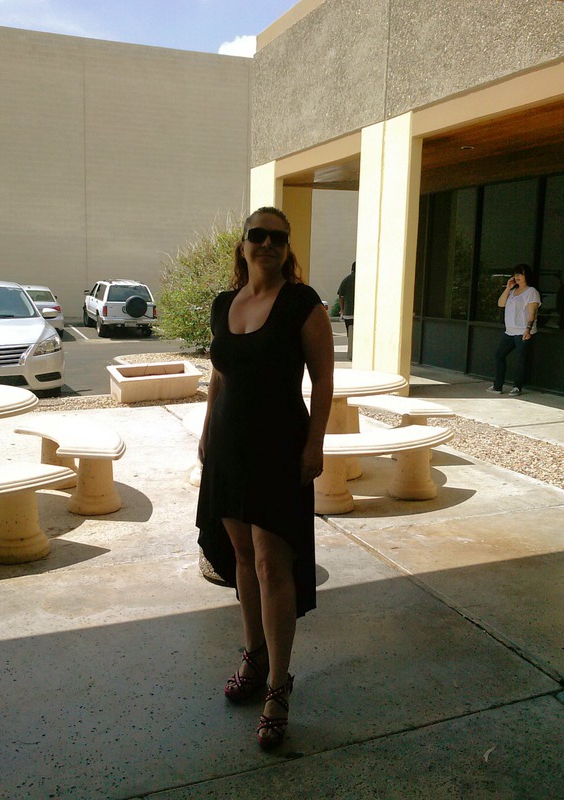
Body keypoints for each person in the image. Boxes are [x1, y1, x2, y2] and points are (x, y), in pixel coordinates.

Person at [196, 207, 334, 751]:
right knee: (240, 558)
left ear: (287, 247)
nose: (268, 244)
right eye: (259, 235)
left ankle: (278, 684)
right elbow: (219, 376)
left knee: (272, 564)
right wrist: (206, 433)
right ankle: (252, 657)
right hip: (229, 448)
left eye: (279, 237)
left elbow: (323, 380)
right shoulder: (223, 304)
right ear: (244, 244)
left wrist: (315, 444)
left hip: (279, 449)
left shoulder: (303, 303)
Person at [487, 264, 541, 396]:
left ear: (526, 276)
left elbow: (532, 313)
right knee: (499, 355)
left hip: (523, 331)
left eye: (520, 274)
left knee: (521, 359)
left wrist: (528, 330)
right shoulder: (512, 292)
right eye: (515, 274)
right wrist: (508, 288)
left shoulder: (531, 291)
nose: (517, 277)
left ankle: (517, 386)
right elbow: (501, 304)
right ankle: (498, 386)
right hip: (510, 331)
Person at [337, 262, 356, 359]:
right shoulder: (364, 278)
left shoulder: (346, 279)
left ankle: (351, 353)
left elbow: (341, 296)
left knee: (350, 334)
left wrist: (342, 310)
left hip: (348, 313)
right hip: (361, 314)